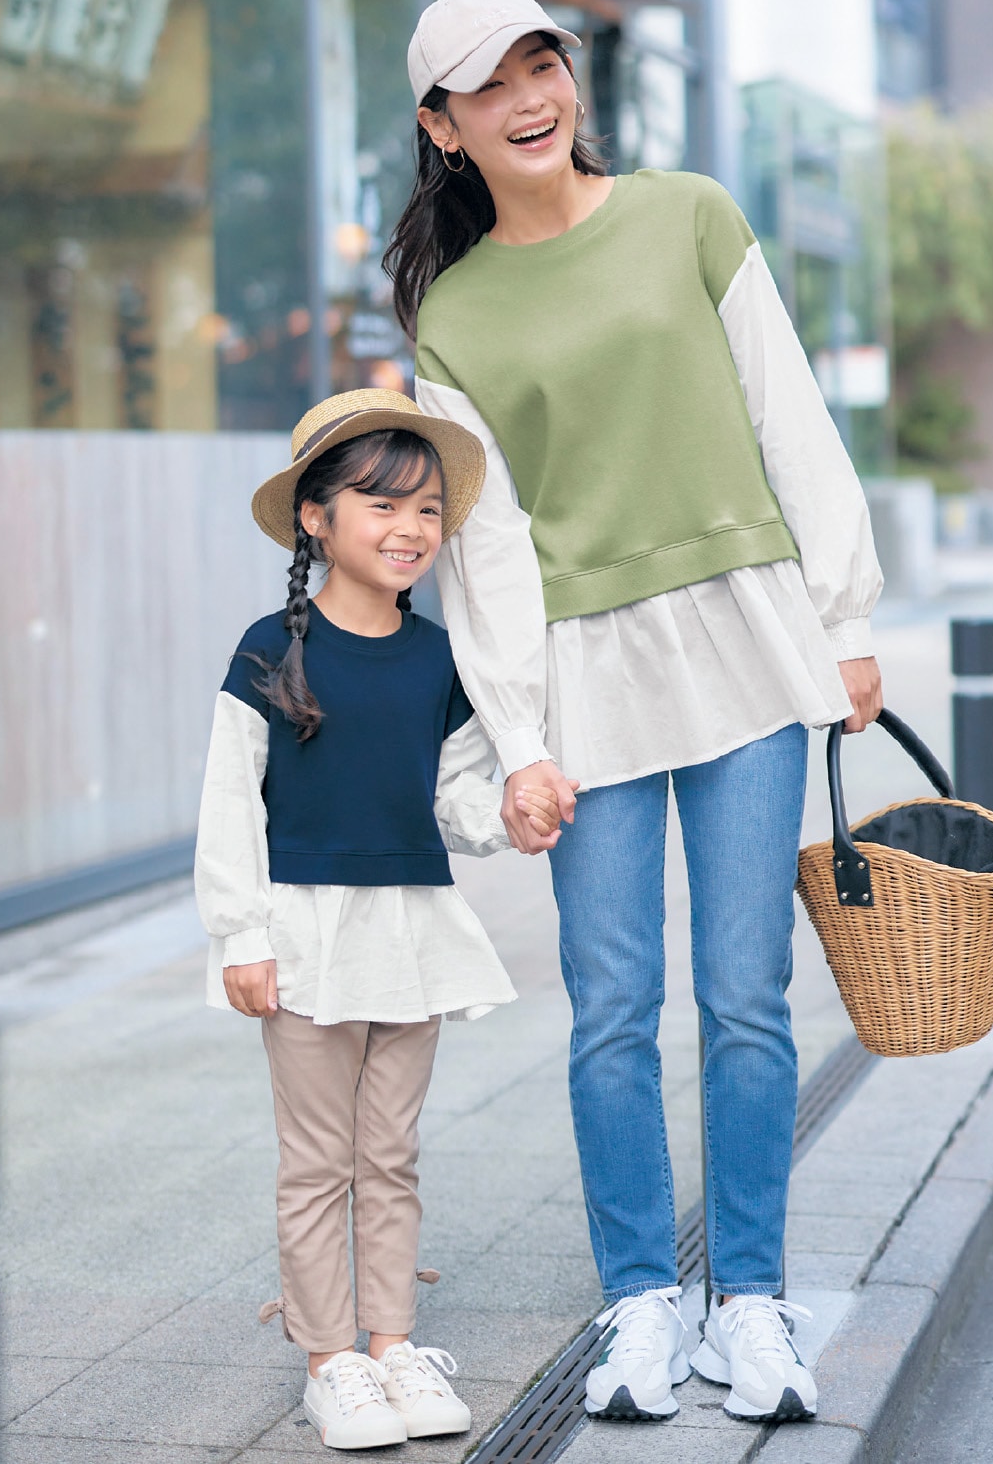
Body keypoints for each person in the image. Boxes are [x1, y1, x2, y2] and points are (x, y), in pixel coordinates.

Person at [386, 0, 885, 1429]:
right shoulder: (457, 315)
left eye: (546, 59)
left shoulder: (690, 217)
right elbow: (485, 555)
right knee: (611, 1011)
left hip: (744, 643)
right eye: (494, 81)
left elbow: (790, 416)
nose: (533, 92)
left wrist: (844, 618)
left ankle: (753, 1304)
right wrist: (522, 739)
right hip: (584, 678)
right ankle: (638, 1307)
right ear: (444, 125)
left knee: (747, 998)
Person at [194, 388, 569, 1451]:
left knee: (391, 1154)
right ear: (316, 517)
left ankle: (393, 1342)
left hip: (411, 932)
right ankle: (330, 1361)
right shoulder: (269, 649)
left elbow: (450, 800)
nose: (409, 529)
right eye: (380, 504)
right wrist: (241, 936)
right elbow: (230, 802)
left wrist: (509, 813)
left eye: (427, 511)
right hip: (304, 933)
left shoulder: (442, 659)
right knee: (318, 1159)